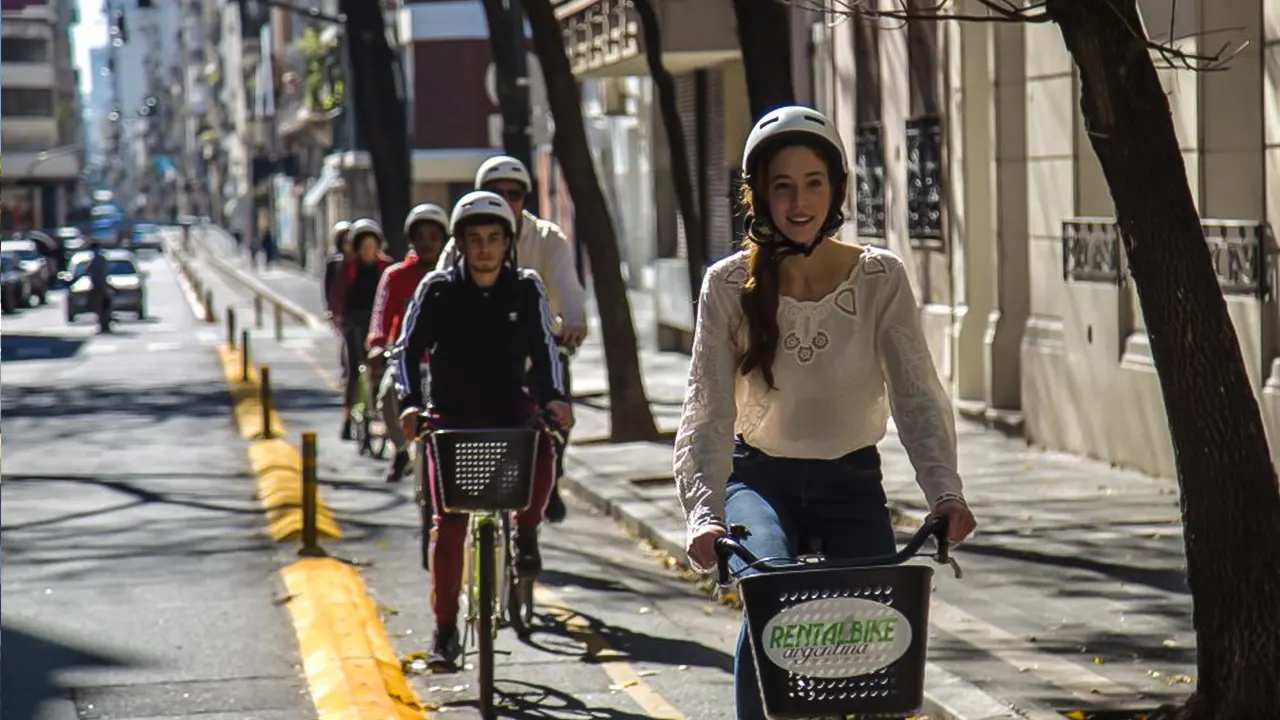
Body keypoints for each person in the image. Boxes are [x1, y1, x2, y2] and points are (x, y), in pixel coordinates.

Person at [673, 106, 979, 720]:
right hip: (760, 480)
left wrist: (945, 493)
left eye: (813, 182)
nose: (798, 201)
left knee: (876, 633)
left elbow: (917, 395)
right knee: (772, 599)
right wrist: (704, 514)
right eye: (781, 185)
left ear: (836, 189)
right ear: (758, 195)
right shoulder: (728, 284)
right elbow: (707, 412)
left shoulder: (879, 277)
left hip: (852, 479)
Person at [395, 191, 574, 669]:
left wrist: (556, 399)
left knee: (544, 449)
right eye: (474, 239)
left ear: (508, 242)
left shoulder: (527, 287)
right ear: (461, 244)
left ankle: (528, 532)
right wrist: (411, 405)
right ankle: (445, 631)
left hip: (509, 408)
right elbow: (406, 351)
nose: (485, 248)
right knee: (449, 524)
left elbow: (546, 351)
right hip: (452, 415)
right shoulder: (436, 290)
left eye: (495, 238)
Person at [438, 155, 587, 523]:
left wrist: (574, 321)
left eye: (515, 193)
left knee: (556, 409)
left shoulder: (547, 238)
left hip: (536, 350)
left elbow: (568, 288)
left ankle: (548, 487)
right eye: (495, 192)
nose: (506, 199)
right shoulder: (463, 242)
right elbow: (438, 290)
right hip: (476, 359)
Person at [367, 204, 449, 483]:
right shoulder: (395, 276)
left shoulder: (452, 277)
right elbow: (381, 315)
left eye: (433, 237)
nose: (427, 244)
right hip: (407, 361)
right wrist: (378, 344)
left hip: (445, 363)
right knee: (387, 394)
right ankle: (401, 449)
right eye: (420, 237)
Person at [330, 218, 393, 440]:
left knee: (382, 370)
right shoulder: (349, 268)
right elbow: (338, 294)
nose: (369, 250)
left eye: (372, 246)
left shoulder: (386, 267)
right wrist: (338, 315)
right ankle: (348, 419)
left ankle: (381, 415)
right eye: (364, 246)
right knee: (356, 372)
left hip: (379, 323)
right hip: (354, 322)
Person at [323, 220, 353, 383]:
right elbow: (329, 287)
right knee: (346, 339)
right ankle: (345, 368)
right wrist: (331, 309)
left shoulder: (358, 261)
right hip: (341, 308)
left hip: (355, 306)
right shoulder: (334, 263)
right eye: (344, 240)